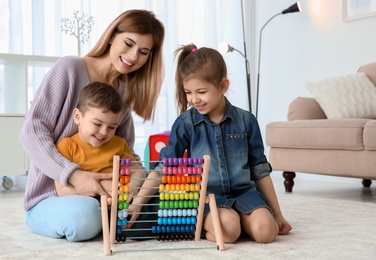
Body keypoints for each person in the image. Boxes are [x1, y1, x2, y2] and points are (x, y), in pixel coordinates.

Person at [19, 9, 165, 242]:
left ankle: (111, 220)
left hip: (105, 197)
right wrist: (74, 175)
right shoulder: (69, 69)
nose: (133, 56)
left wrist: (139, 186)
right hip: (52, 196)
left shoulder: (124, 92)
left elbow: (124, 151)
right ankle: (105, 221)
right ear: (111, 36)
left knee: (163, 206)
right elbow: (32, 131)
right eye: (128, 43)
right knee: (85, 216)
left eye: (143, 52)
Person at [149, 44, 292, 244]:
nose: (194, 99)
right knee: (228, 231)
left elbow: (260, 170)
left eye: (201, 91)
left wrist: (278, 214)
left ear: (223, 86)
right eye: (188, 92)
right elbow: (163, 167)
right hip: (207, 196)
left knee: (267, 233)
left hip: (244, 192)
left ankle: (245, 220)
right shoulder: (186, 123)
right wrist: (136, 206)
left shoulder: (246, 121)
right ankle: (223, 224)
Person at [55, 82, 145, 197]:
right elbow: (62, 191)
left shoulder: (119, 144)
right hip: (84, 204)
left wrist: (133, 186)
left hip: (118, 205)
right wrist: (101, 186)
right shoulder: (67, 146)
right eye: (97, 124)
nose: (104, 132)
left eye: (112, 127)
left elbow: (138, 172)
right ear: (78, 117)